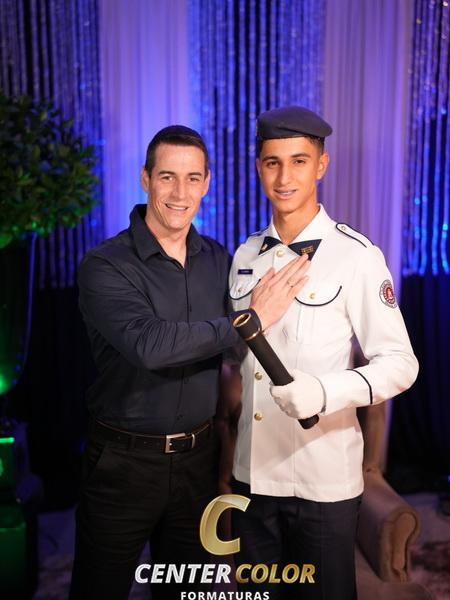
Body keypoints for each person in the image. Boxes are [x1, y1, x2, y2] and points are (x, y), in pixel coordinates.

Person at [70, 124, 310, 600]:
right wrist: (248, 320)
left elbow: (243, 348)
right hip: (123, 464)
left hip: (199, 461)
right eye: (167, 177)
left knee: (186, 590)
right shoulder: (106, 265)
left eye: (192, 178)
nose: (180, 193)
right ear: (145, 179)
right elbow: (150, 345)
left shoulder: (219, 259)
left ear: (206, 183)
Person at [225, 106, 419, 599]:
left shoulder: (357, 256)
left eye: (299, 161)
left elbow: (401, 364)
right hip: (252, 479)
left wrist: (324, 391)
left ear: (322, 166)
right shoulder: (244, 257)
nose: (284, 178)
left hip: (322, 480)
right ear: (258, 167)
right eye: (272, 162)